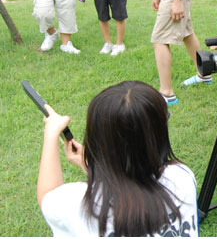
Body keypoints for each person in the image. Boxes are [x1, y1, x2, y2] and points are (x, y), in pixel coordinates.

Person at [37, 81, 198, 237]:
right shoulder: (182, 178)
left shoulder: (80, 207)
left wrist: (51, 134)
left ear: (96, 140)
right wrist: (92, 166)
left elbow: (48, 196)